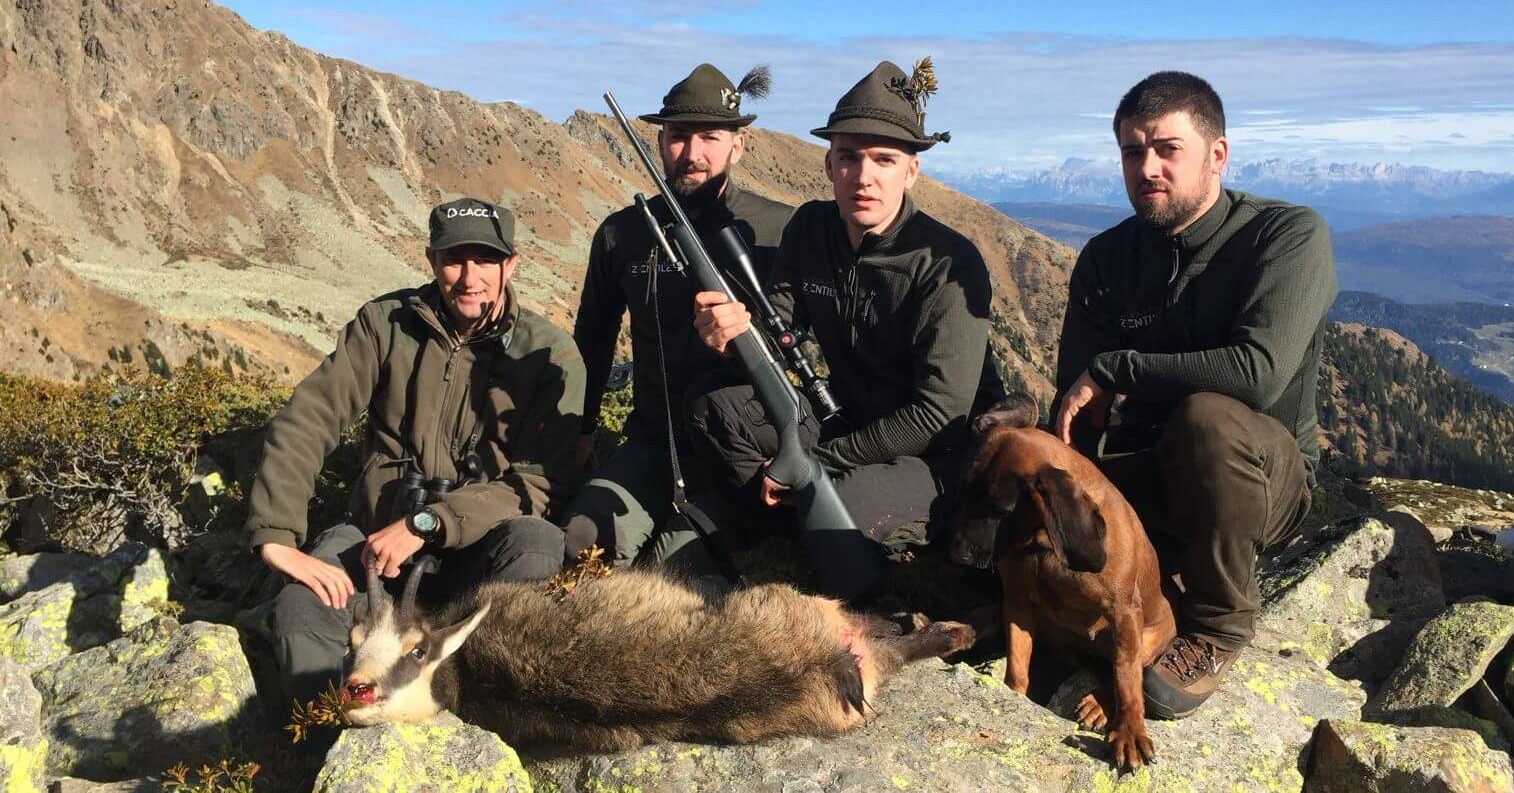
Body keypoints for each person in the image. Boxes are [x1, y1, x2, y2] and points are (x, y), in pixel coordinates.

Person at [662, 59, 1006, 597]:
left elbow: (940, 413)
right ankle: (793, 517)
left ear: (911, 171)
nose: (863, 177)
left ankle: (883, 541)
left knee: (843, 500)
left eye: (884, 160)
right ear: (828, 165)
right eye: (848, 157)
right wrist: (730, 338)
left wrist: (815, 461)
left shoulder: (948, 263)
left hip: (937, 454)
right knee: (712, 404)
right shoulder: (810, 230)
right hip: (844, 422)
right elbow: (776, 333)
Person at [1051, 71, 1336, 719]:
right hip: (1152, 474)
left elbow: (1258, 374)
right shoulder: (1106, 259)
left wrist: (1120, 365)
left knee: (1205, 419)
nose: (1147, 167)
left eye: (1166, 149)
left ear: (1217, 156)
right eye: (1131, 151)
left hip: (1259, 479)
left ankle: (1217, 627)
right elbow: (1074, 408)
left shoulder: (1287, 236)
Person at [246, 197, 584, 707]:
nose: (470, 277)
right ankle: (332, 746)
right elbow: (310, 418)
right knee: (302, 609)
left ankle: (483, 724)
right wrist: (276, 536)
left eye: (486, 260)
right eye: (454, 259)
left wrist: (430, 523)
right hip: (374, 546)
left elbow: (538, 484)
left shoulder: (548, 352)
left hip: (478, 552)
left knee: (536, 547)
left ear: (511, 264)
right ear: (431, 260)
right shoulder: (385, 325)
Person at [566, 64, 792, 566]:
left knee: (674, 570)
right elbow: (593, 339)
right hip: (651, 441)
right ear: (660, 140)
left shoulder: (781, 231)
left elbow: (809, 349)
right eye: (677, 137)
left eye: (710, 136)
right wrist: (581, 433)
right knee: (581, 541)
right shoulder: (621, 234)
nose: (692, 154)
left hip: (743, 453)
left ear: (739, 144)